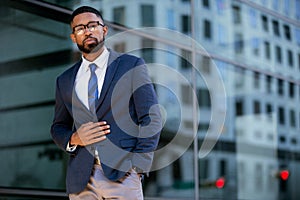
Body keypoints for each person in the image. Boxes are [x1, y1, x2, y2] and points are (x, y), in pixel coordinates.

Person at [50, 6, 162, 200]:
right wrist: (74, 138)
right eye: (80, 28)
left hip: (123, 173)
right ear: (73, 37)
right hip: (81, 179)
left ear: (104, 30)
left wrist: (138, 167)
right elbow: (58, 127)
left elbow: (151, 118)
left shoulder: (131, 65)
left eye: (92, 25)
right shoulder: (64, 80)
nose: (87, 31)